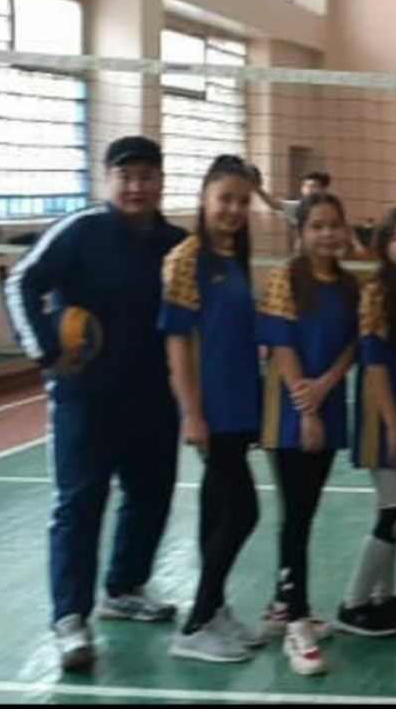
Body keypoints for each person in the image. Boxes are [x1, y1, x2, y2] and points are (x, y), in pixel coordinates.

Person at [4, 136, 187, 671]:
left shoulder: (177, 244)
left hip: (153, 396)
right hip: (86, 399)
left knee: (151, 495)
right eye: (125, 176)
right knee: (79, 504)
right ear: (108, 181)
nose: (136, 186)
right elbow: (21, 282)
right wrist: (46, 351)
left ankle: (124, 589)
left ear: (160, 182)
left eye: (146, 176)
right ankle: (69, 618)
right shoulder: (80, 231)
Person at [161, 154, 264, 664]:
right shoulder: (188, 258)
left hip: (240, 405)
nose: (234, 209)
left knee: (216, 507)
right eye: (225, 198)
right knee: (244, 511)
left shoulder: (232, 257)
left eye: (242, 201)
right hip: (214, 409)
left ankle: (216, 608)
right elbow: (177, 340)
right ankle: (196, 624)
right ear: (204, 197)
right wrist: (191, 412)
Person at [257, 192, 360, 675]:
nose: (326, 233)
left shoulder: (349, 286)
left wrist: (326, 386)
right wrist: (306, 407)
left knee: (305, 510)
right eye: (316, 226)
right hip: (289, 413)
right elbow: (282, 345)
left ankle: (283, 603)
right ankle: (296, 624)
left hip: (328, 403)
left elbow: (352, 346)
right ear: (301, 232)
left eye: (333, 224)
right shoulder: (285, 278)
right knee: (296, 515)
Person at [337, 206, 396, 638]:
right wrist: (394, 425)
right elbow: (374, 367)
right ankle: (353, 604)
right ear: (384, 244)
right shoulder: (376, 293)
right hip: (382, 418)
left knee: (390, 512)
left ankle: (385, 599)